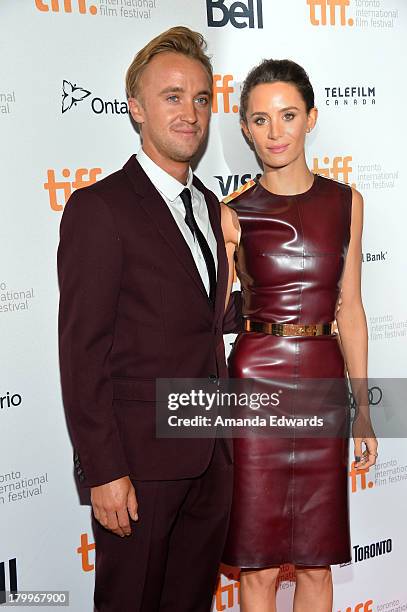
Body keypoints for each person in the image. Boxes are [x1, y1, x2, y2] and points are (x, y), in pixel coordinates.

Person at [58, 26, 236, 612]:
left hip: (209, 458)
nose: (191, 113)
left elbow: (202, 323)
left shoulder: (211, 207)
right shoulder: (99, 207)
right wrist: (104, 470)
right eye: (172, 96)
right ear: (134, 106)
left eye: (201, 98)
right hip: (137, 470)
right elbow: (82, 353)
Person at [220, 59, 378, 611]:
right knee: (257, 565)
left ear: (311, 118)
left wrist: (364, 409)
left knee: (317, 561)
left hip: (321, 382)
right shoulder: (233, 215)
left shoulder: (347, 203)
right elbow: (212, 314)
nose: (275, 131)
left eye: (288, 115)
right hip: (254, 383)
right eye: (260, 120)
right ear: (244, 128)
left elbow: (351, 310)